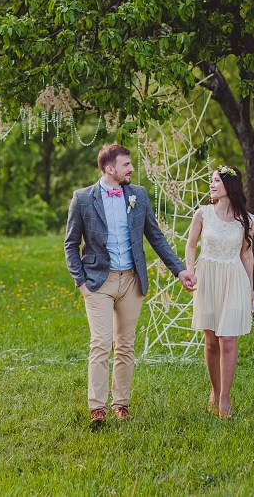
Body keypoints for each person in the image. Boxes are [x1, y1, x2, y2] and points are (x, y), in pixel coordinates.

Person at [65, 143, 196, 428]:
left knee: (125, 345)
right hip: (99, 281)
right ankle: (96, 408)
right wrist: (81, 282)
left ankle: (121, 404)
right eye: (126, 164)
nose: (131, 168)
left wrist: (180, 270)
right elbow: (70, 244)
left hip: (132, 280)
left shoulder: (138, 195)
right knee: (100, 343)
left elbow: (156, 237)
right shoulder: (83, 199)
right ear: (110, 169)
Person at [185, 164, 254, 419]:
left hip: (234, 278)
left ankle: (225, 399)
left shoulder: (246, 220)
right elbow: (191, 246)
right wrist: (190, 271)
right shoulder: (202, 214)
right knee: (212, 340)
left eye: (217, 180)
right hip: (208, 278)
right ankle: (214, 391)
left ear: (230, 185)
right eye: (211, 180)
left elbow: (247, 256)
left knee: (228, 339)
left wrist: (251, 289)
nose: (212, 184)